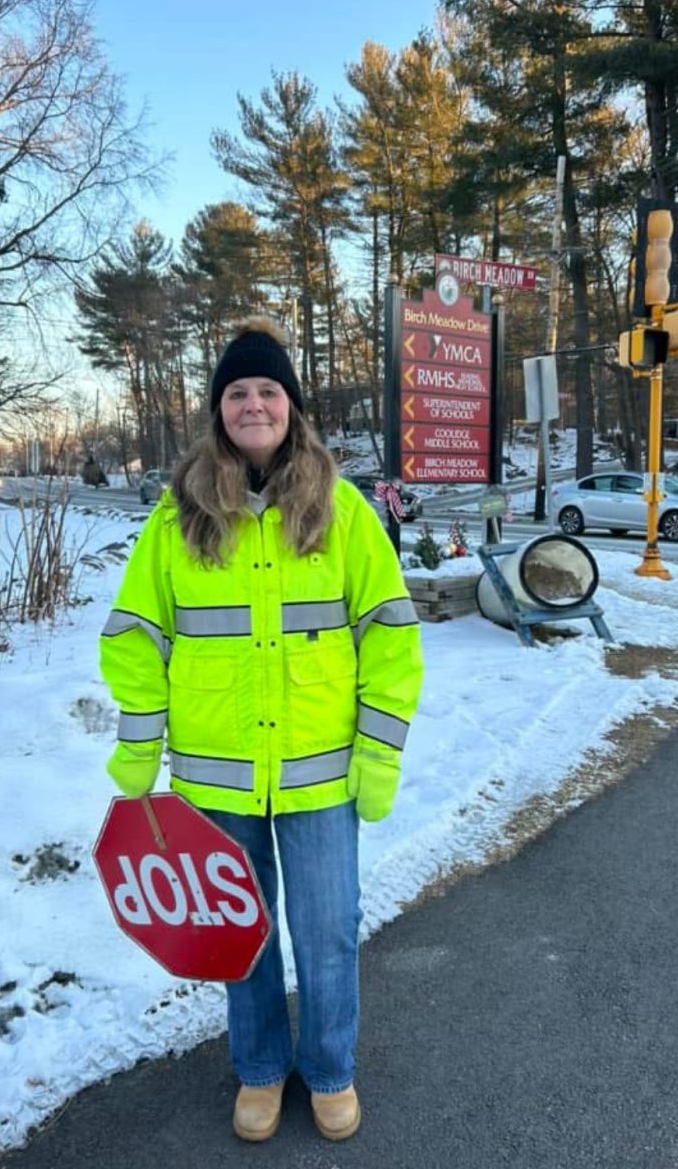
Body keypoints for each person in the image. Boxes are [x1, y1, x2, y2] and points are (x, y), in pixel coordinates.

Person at [99, 316, 423, 1143]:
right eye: (237, 392)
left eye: (267, 391)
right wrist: (140, 746)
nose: (253, 404)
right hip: (214, 777)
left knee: (325, 932)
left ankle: (329, 1070)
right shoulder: (178, 520)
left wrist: (378, 751)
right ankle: (257, 1071)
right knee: (239, 936)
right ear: (218, 411)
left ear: (292, 407)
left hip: (319, 775)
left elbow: (389, 631)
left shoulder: (344, 512)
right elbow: (137, 635)